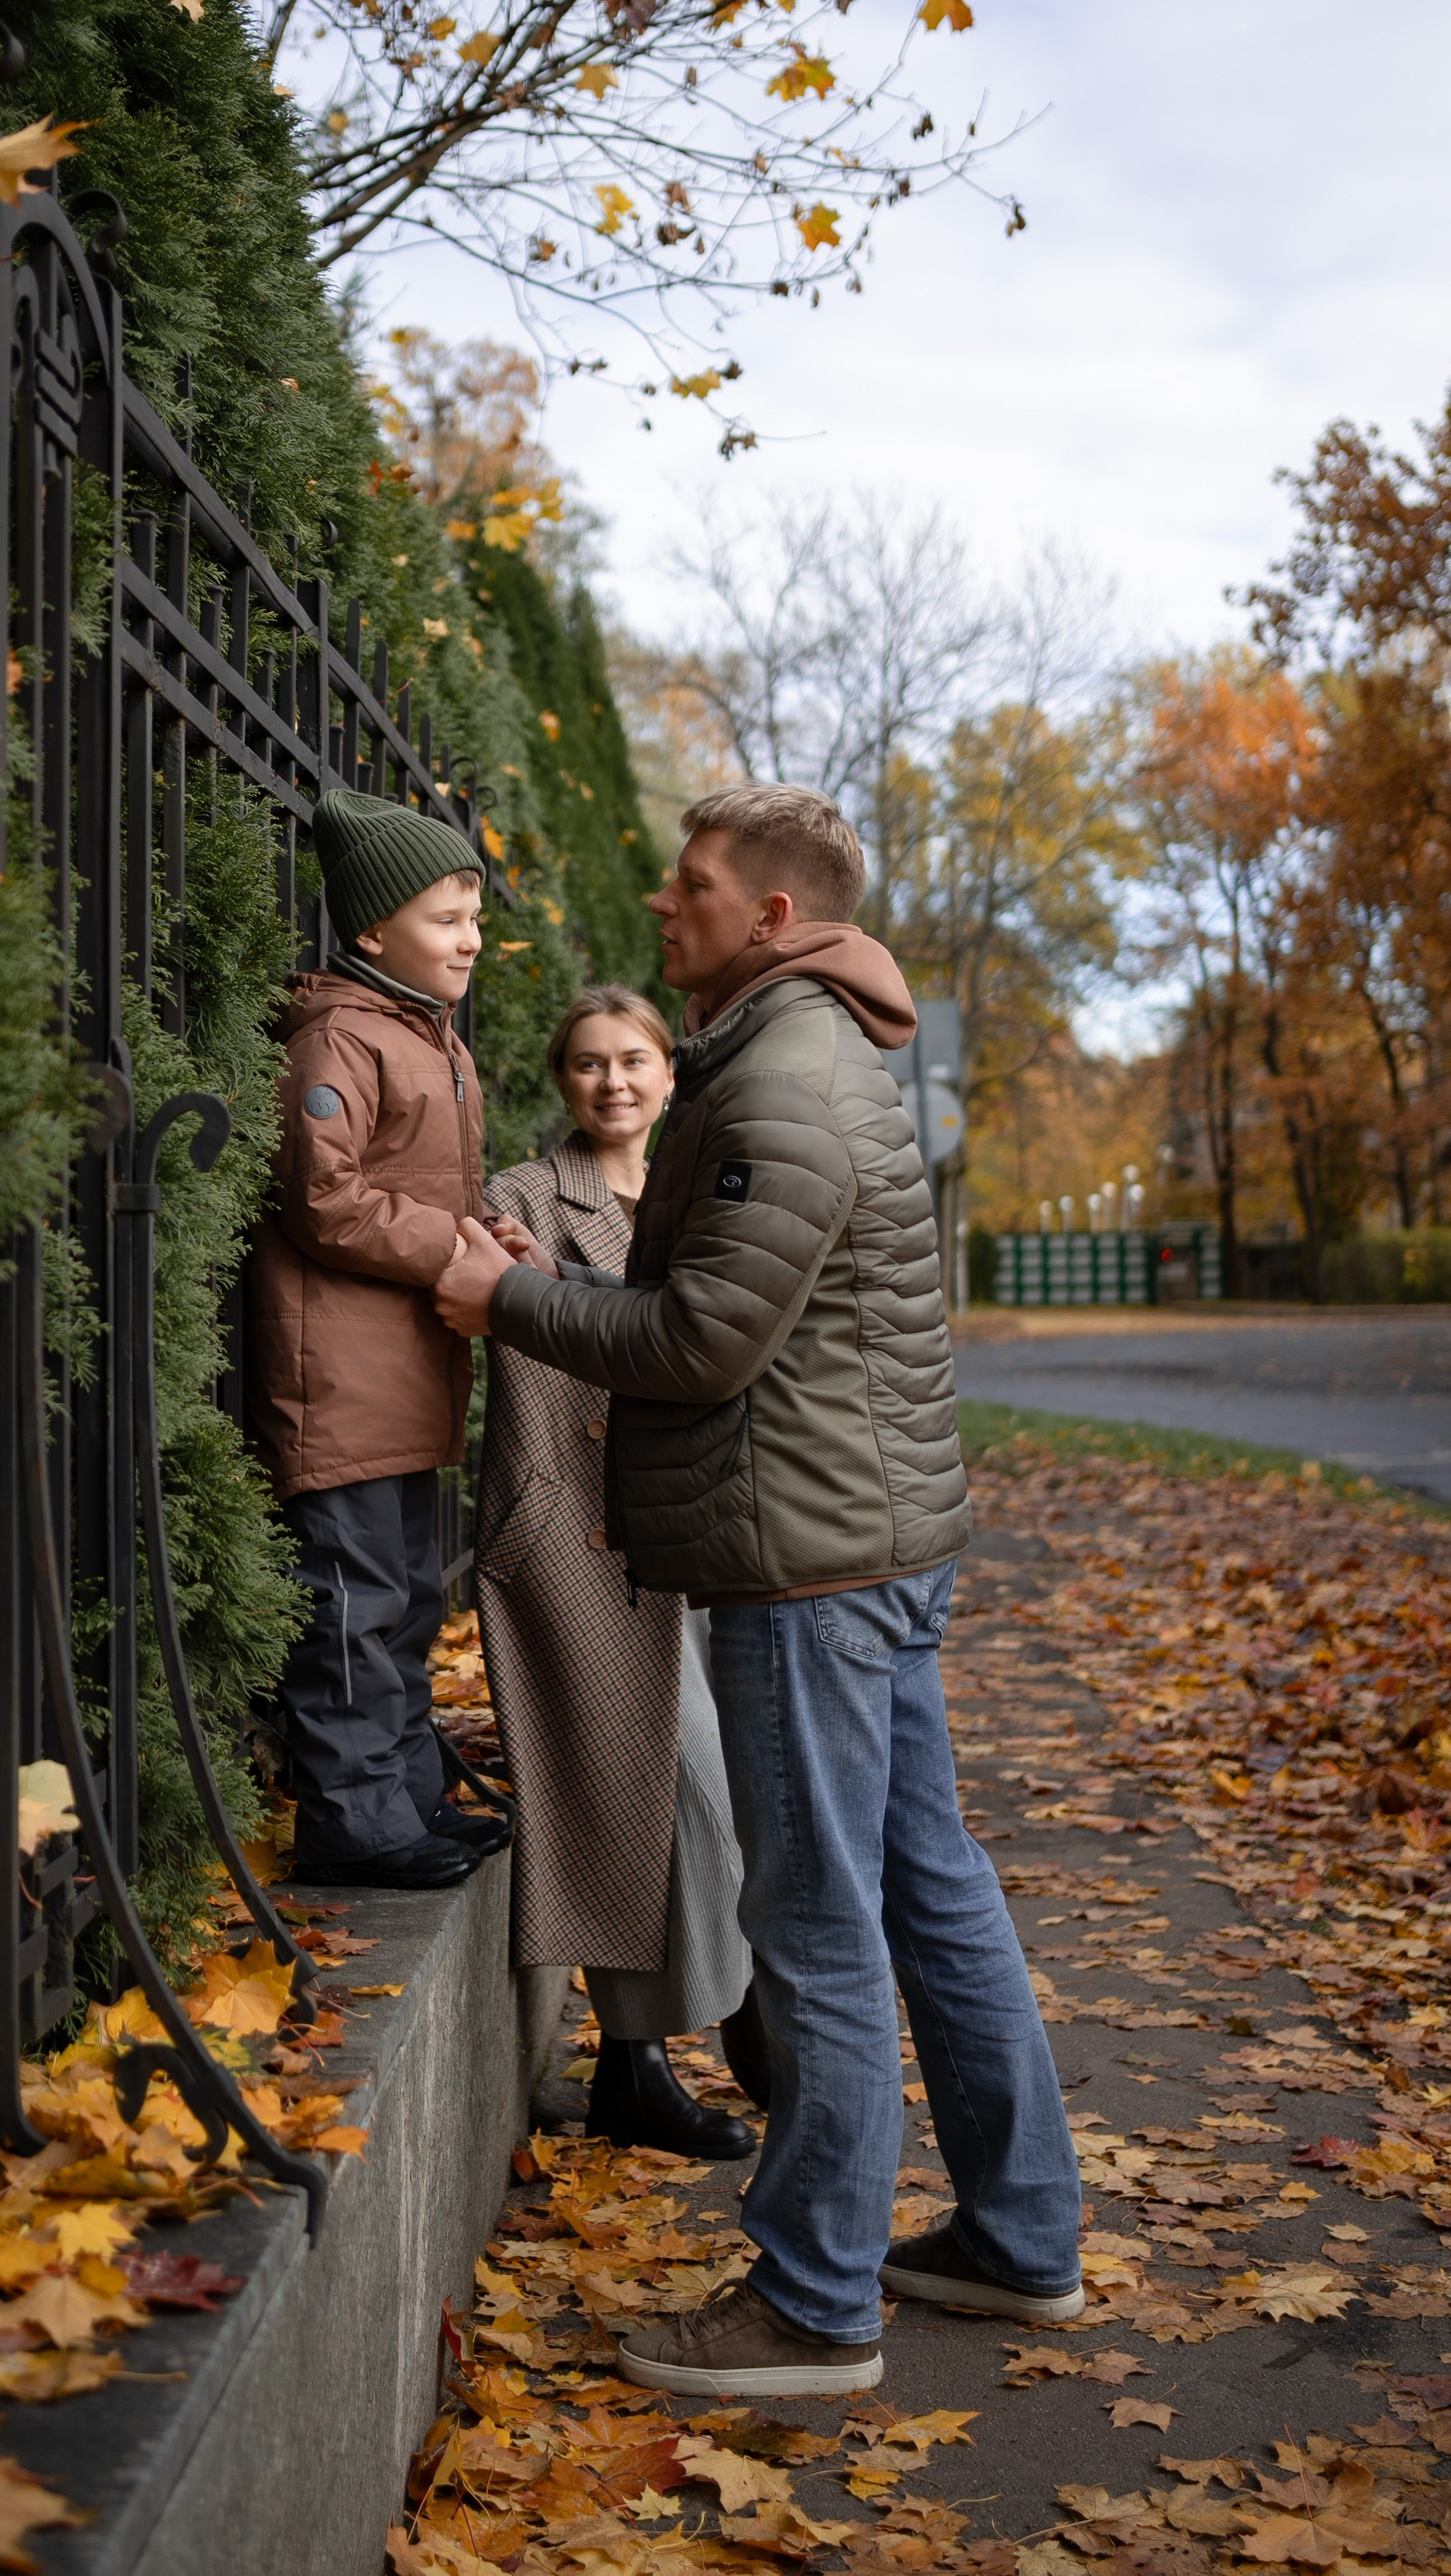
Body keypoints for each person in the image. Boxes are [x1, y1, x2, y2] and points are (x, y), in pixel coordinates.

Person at [436, 782, 1082, 2400]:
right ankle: (1016, 2238)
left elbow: (699, 1339)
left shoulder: (787, 1084)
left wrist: (498, 1293)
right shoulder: (802, 1058)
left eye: (695, 881)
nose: (665, 901)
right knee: (927, 1889)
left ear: (775, 916)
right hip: (859, 1548)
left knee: (815, 1923)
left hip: (809, 1572)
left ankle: (810, 2306)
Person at [478, 987, 760, 2164]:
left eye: (633, 1059)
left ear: (667, 1070)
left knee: (724, 1787)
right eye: (589, 1064)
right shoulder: (521, 1198)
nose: (613, 1084)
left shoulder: (706, 1188)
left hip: (706, 1530)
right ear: (563, 1079)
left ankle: (646, 2066)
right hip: (579, 1533)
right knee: (654, 1787)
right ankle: (695, 2050)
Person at [244, 785, 513, 1893]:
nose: (471, 940)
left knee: (403, 1597)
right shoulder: (338, 1039)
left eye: (475, 920)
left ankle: (405, 1798)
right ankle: (354, 1822)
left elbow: (430, 1188)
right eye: (446, 919)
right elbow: (325, 1199)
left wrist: (494, 1232)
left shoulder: (429, 1041)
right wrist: (456, 1247)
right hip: (339, 1377)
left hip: (401, 1377)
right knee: (353, 1605)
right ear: (371, 930)